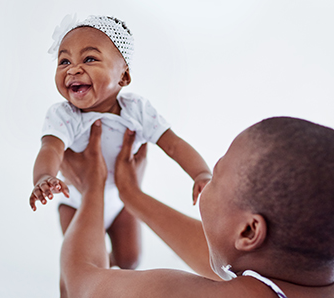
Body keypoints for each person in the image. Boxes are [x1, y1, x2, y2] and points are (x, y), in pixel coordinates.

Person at [58, 117, 334, 297]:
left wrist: (94, 188)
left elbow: (78, 284)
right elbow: (234, 260)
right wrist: (131, 195)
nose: (208, 182)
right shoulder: (309, 275)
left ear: (249, 231)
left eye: (216, 175)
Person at [29, 14, 212, 275]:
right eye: (64, 61)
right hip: (76, 200)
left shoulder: (137, 110)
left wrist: (200, 173)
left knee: (130, 260)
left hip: (121, 201)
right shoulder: (64, 115)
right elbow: (51, 149)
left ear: (123, 76)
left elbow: (173, 144)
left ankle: (112, 273)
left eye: (89, 59)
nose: (73, 69)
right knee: (83, 263)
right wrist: (44, 177)